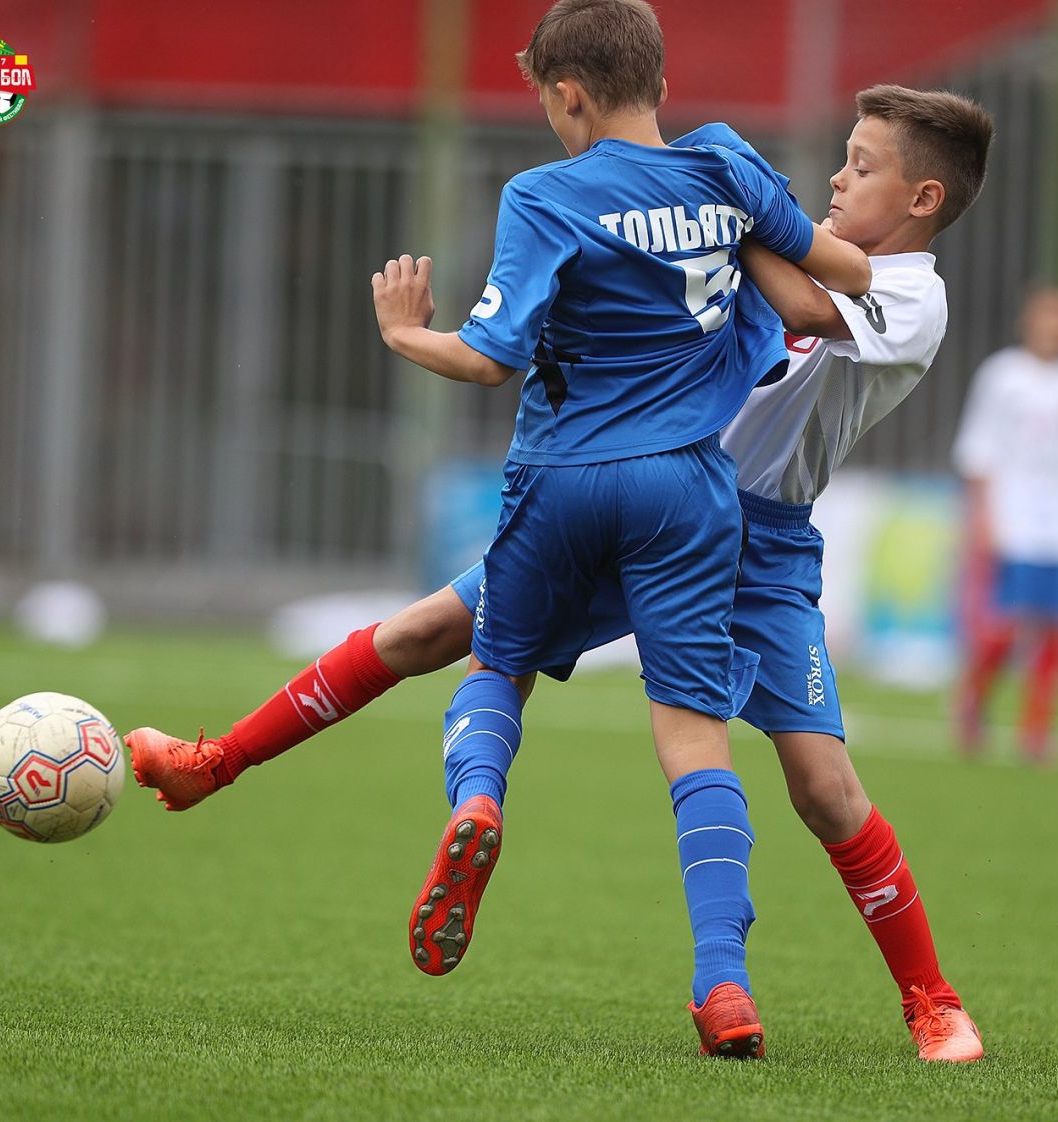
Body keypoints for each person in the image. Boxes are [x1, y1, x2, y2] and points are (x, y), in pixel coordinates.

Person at [131, 0, 870, 1062]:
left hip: (564, 481)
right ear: (659, 82)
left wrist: (404, 333)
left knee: (488, 662)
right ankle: (723, 985)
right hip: (687, 495)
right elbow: (839, 276)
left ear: (567, 96)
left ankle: (477, 800)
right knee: (687, 736)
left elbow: (489, 360)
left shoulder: (545, 194)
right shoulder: (727, 164)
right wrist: (774, 235)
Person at [952, 287, 1058, 762]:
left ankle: (1036, 730)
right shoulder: (1002, 376)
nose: (1056, 328)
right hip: (1014, 515)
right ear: (1029, 321)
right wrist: (983, 514)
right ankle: (972, 700)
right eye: (1048, 317)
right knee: (1006, 624)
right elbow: (978, 449)